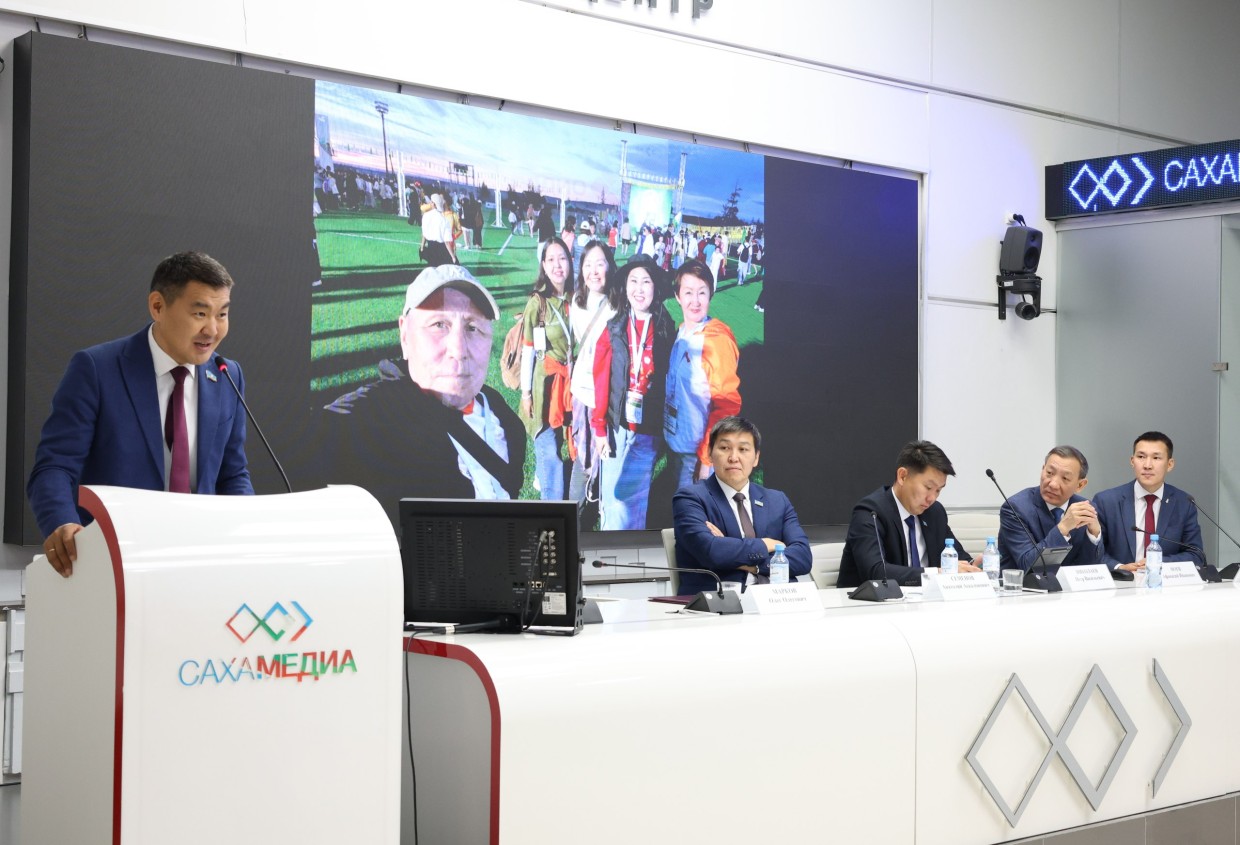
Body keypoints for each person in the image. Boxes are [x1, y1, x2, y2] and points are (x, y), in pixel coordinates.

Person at [28, 251, 253, 577]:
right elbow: (55, 467)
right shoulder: (97, 369)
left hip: (199, 566)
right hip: (113, 564)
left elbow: (232, 475)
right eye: (200, 313)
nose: (213, 329)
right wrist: (62, 522)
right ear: (158, 306)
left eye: (222, 314)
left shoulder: (227, 375)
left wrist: (248, 532)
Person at [323, 264, 525, 522]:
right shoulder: (368, 421)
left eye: (472, 328)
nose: (458, 350)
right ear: (405, 336)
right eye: (439, 324)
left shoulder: (504, 418)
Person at [672, 416, 811, 594]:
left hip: (777, 601)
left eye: (743, 449)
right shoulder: (690, 498)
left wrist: (751, 565)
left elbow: (803, 558)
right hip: (719, 603)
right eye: (724, 448)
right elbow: (712, 552)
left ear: (756, 458)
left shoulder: (778, 500)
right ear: (710, 453)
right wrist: (766, 545)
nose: (734, 458)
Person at [591, 255, 676, 529]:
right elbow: (601, 381)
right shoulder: (614, 328)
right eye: (633, 281)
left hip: (647, 430)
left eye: (646, 282)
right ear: (625, 287)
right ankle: (607, 547)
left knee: (634, 501)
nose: (639, 289)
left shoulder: (666, 329)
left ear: (655, 287)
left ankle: (631, 549)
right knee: (612, 497)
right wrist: (599, 429)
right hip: (616, 427)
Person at [837, 440, 979, 587]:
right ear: (902, 476)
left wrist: (973, 565)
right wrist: (936, 573)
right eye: (928, 487)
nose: (932, 498)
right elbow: (876, 572)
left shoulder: (935, 512)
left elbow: (956, 556)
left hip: (926, 598)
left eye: (938, 490)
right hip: (870, 600)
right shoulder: (870, 513)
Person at [664, 259, 741, 489]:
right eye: (688, 292)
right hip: (675, 442)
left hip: (697, 453)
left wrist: (707, 458)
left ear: (710, 295)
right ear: (678, 296)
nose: (695, 301)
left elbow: (726, 405)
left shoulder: (716, 341)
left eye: (702, 292)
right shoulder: (681, 331)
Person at [1093, 431, 1205, 571]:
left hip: (1165, 582)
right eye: (1141, 457)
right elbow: (1093, 551)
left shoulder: (1184, 503)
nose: (1147, 465)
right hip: (1121, 582)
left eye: (1156, 458)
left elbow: (1196, 555)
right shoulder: (1106, 501)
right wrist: (1120, 568)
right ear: (1132, 461)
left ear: (1170, 464)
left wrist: (1159, 563)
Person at [520, 237, 574, 499]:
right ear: (543, 265)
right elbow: (528, 350)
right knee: (549, 447)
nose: (557, 265)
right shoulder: (537, 303)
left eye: (562, 258)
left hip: (570, 383)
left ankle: (543, 476)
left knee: (564, 440)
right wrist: (526, 394)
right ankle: (552, 509)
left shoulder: (578, 298)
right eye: (551, 259)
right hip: (545, 385)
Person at [566, 240, 617, 515]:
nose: (594, 271)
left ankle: (602, 507)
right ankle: (575, 512)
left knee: (606, 454)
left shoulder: (618, 306)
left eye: (600, 264)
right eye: (588, 265)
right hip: (581, 393)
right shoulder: (576, 301)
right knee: (583, 455)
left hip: (605, 396)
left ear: (609, 266)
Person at [998, 445, 1103, 571]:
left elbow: (1088, 569)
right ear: (1043, 469)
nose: (1053, 484)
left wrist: (1094, 534)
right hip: (1022, 583)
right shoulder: (1015, 508)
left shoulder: (1085, 509)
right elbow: (1028, 566)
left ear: (1080, 485)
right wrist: (1063, 528)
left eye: (1065, 478)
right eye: (1049, 473)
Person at [419, 193, 456, 266]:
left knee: (432, 267)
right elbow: (447, 242)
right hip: (441, 249)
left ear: (433, 204)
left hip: (430, 247)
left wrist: (422, 247)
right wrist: (453, 256)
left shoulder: (425, 216)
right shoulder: (444, 220)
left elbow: (424, 234)